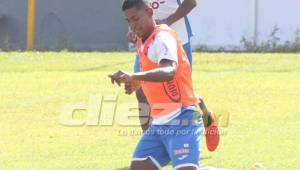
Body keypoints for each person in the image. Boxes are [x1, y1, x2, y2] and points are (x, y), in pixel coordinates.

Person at [109, 0, 203, 169]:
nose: (132, 25)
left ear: (150, 13)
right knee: (139, 167)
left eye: (136, 19)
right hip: (160, 124)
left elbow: (169, 71)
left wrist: (133, 75)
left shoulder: (163, 38)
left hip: (182, 117)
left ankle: (204, 110)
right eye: (128, 21)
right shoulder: (142, 39)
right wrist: (136, 82)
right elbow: (152, 74)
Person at [127, 0, 220, 152]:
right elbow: (134, 8)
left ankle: (207, 118)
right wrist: (133, 28)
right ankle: (151, 147)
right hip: (146, 38)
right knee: (142, 92)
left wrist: (165, 22)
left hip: (176, 38)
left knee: (182, 96)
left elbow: (191, 3)